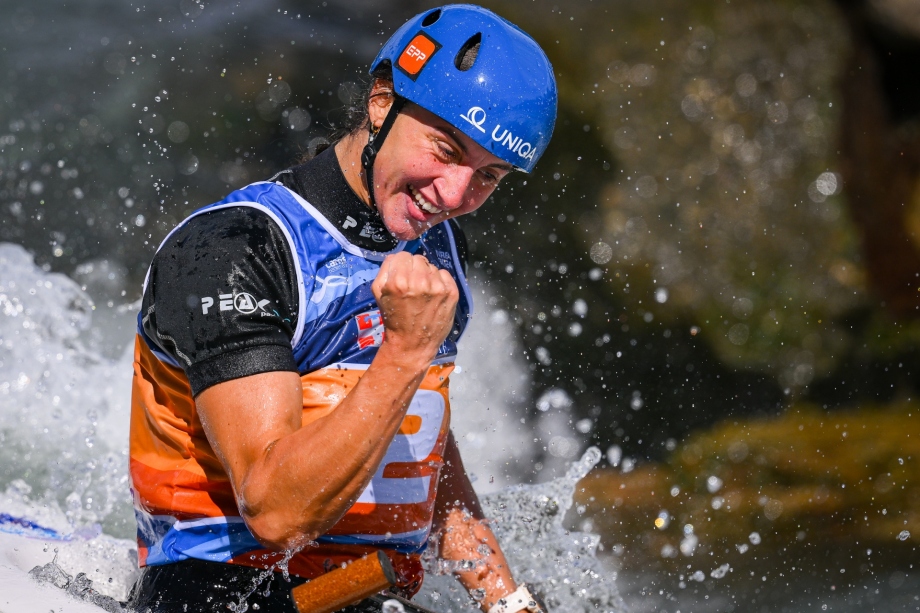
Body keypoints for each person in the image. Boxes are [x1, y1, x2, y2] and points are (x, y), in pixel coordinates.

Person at [126, 5, 557, 613]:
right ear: (383, 102)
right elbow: (275, 512)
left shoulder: (437, 241)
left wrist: (503, 597)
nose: (456, 196)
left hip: (367, 593)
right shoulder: (236, 249)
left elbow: (416, 430)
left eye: (489, 176)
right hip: (227, 594)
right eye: (444, 149)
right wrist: (405, 351)